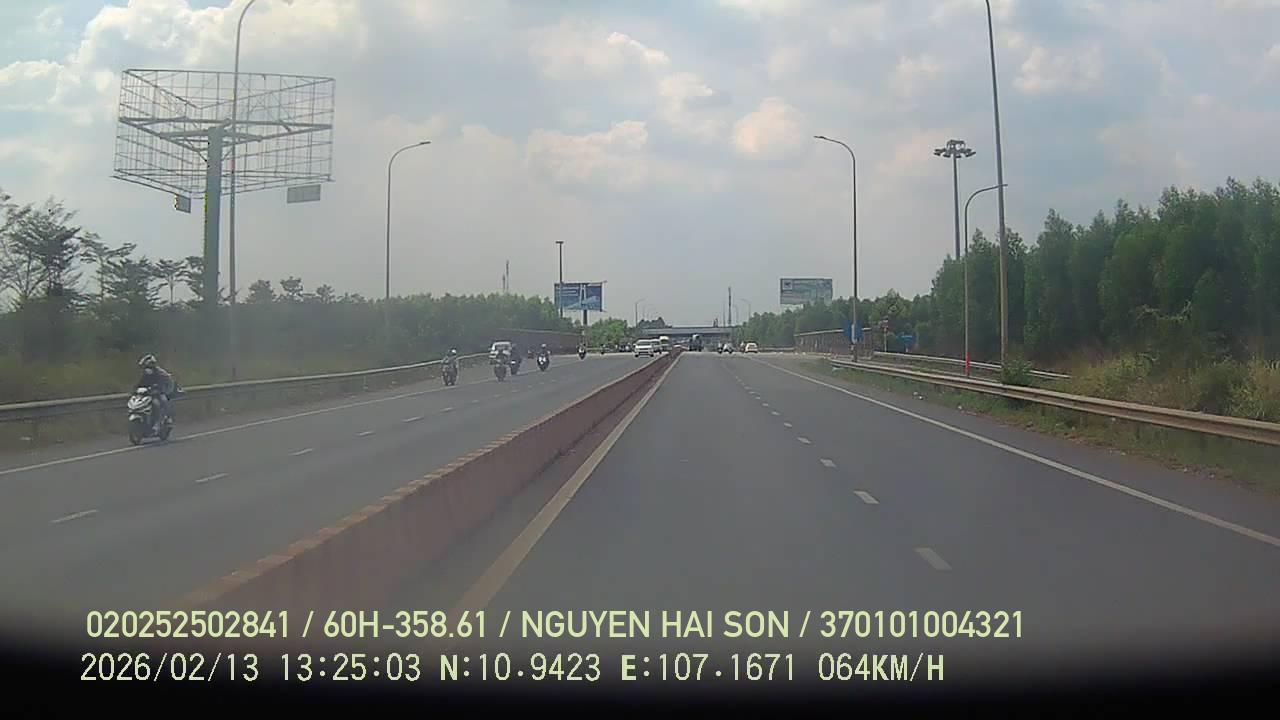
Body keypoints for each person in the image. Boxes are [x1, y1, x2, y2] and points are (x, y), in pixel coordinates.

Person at [135, 354, 176, 429]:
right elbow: (141, 383)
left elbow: (165, 382)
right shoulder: (145, 374)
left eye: (148, 367)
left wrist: (158, 388)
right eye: (145, 367)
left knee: (159, 403)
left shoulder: (160, 373)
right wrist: (136, 389)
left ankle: (160, 421)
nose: (146, 369)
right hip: (149, 393)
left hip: (160, 392)